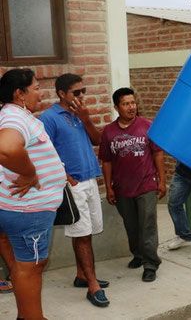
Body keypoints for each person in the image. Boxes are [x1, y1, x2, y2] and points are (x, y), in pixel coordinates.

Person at [0, 68, 67, 320]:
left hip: (20, 208)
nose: (41, 93)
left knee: (21, 267)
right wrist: (29, 173)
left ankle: (26, 315)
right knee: (31, 268)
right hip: (30, 212)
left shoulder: (14, 115)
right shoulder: (14, 117)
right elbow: (6, 148)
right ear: (20, 93)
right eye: (37, 88)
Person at [39, 73, 109, 307]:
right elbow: (44, 154)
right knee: (82, 235)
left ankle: (81, 275)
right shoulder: (49, 118)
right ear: (61, 94)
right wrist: (68, 179)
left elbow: (98, 141)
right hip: (73, 184)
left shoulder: (80, 114)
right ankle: (92, 285)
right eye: (76, 93)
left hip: (90, 179)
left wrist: (87, 118)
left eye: (83, 91)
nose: (81, 96)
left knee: (86, 232)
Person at [99, 87, 166, 283]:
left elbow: (158, 154)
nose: (131, 107)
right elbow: (107, 161)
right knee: (131, 226)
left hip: (146, 185)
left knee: (147, 226)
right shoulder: (109, 132)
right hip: (122, 188)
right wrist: (109, 187)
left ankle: (151, 264)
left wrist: (162, 182)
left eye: (133, 103)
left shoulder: (147, 126)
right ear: (116, 107)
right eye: (126, 104)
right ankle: (138, 254)